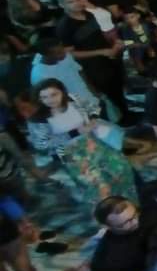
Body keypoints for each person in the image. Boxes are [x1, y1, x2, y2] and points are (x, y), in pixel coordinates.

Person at [28, 79, 137, 208]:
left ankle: (130, 205)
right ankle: (107, 215)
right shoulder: (38, 119)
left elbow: (92, 107)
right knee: (97, 186)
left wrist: (93, 119)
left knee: (121, 170)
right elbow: (42, 144)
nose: (50, 100)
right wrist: (75, 132)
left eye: (54, 94)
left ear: (62, 92)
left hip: (93, 142)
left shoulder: (74, 99)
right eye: (44, 97)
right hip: (68, 152)